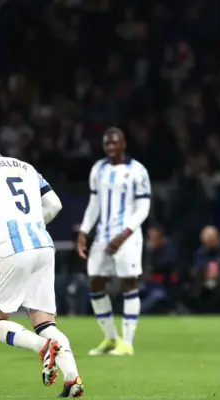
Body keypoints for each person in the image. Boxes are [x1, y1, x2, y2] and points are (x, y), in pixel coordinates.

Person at [0, 120, 83, 398]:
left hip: (12, 247)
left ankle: (42, 348)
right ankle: (72, 378)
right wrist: (34, 224)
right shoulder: (26, 167)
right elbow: (55, 204)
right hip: (43, 245)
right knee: (45, 322)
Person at [76, 127, 151, 356]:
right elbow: (94, 204)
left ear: (123, 144)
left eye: (114, 143)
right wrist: (84, 230)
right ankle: (110, 338)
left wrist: (124, 235)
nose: (110, 148)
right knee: (95, 284)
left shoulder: (137, 171)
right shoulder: (98, 169)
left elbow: (143, 209)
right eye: (107, 144)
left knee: (129, 283)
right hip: (103, 236)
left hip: (127, 237)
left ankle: (127, 342)